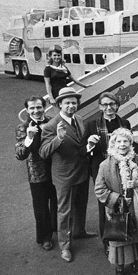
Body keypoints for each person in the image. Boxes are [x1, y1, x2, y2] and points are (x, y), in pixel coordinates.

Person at [39, 87, 98, 263]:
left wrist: (89, 145)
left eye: (74, 102)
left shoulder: (79, 119)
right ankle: (64, 245)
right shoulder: (51, 126)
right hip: (64, 175)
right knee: (64, 211)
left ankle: (79, 231)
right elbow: (43, 152)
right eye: (67, 103)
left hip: (81, 170)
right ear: (59, 105)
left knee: (81, 204)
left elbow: (80, 144)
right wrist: (58, 138)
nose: (71, 106)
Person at [94, 128, 138, 275]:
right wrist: (117, 199)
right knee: (120, 238)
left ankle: (134, 261)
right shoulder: (105, 165)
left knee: (135, 235)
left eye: (125, 141)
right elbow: (99, 189)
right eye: (118, 141)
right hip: (117, 209)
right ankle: (119, 268)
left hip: (136, 206)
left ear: (131, 143)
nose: (122, 144)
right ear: (113, 143)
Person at [82, 92, 131, 255]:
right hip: (101, 169)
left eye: (112, 104)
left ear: (117, 105)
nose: (108, 108)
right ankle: (107, 242)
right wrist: (89, 145)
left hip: (122, 168)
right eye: (104, 105)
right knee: (105, 204)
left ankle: (123, 234)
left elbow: (130, 145)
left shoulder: (125, 123)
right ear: (100, 107)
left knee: (124, 201)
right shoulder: (91, 125)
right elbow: (82, 151)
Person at [15, 96, 57, 251]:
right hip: (37, 173)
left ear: (44, 107)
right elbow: (20, 155)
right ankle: (45, 237)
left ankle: (55, 227)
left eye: (39, 107)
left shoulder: (52, 121)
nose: (36, 111)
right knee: (40, 207)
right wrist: (29, 138)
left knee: (57, 201)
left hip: (55, 169)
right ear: (27, 110)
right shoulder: (22, 127)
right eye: (32, 108)